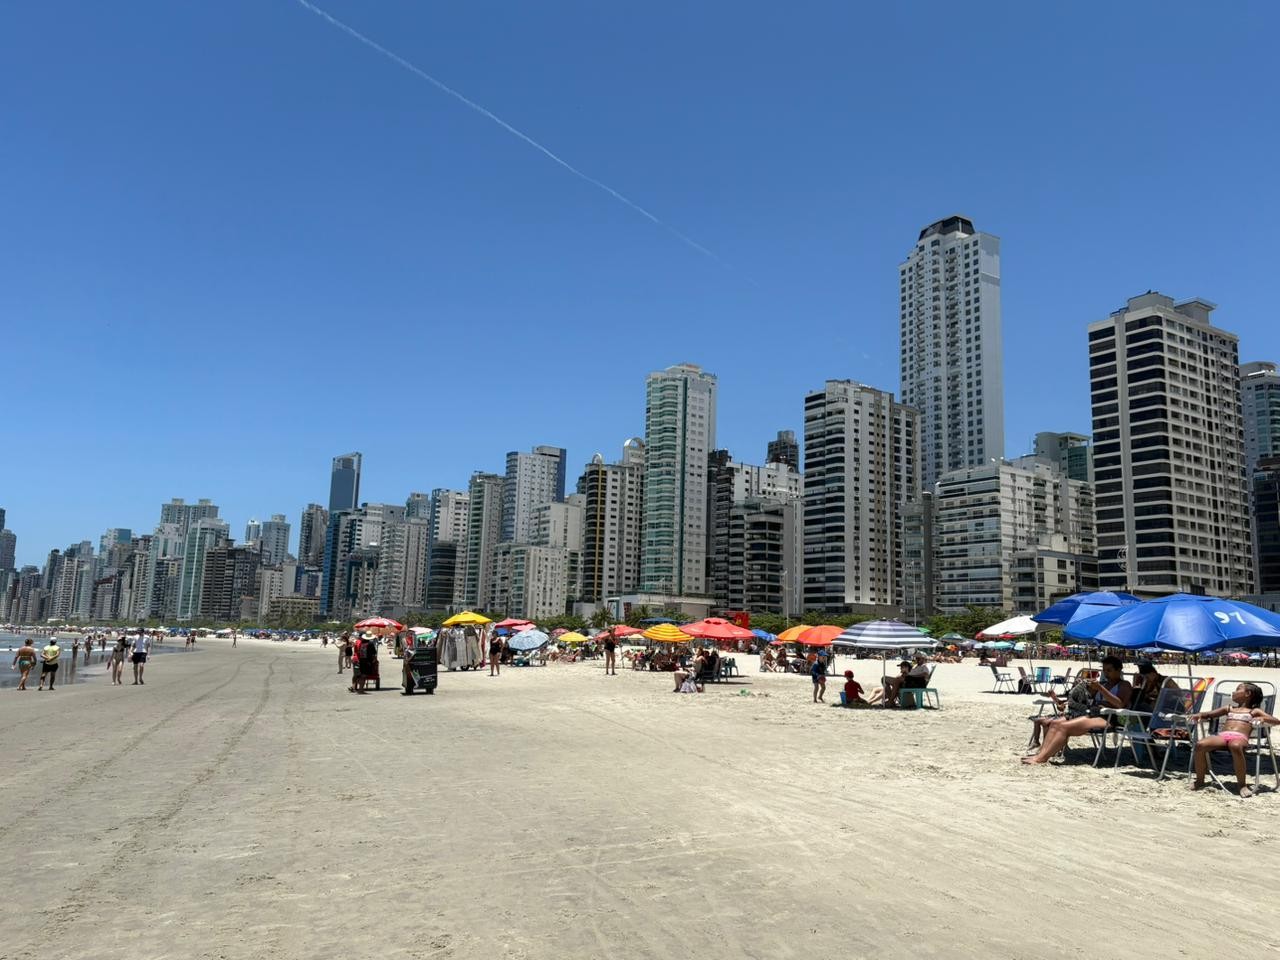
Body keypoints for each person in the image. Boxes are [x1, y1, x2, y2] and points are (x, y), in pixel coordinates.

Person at [1022, 656, 1133, 765]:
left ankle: (1042, 758)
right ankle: (1040, 754)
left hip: (1109, 718)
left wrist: (1100, 689)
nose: (1106, 674)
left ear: (1119, 670)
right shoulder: (1104, 684)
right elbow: (1090, 700)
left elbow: (1120, 704)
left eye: (1109, 670)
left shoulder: (1124, 685)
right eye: (1104, 671)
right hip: (1093, 714)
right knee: (1055, 724)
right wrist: (1087, 688)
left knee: (1064, 727)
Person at [1189, 683, 1279, 798]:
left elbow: (1275, 720)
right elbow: (1209, 714)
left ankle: (1242, 785)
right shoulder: (1229, 708)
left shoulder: (1254, 711)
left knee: (1235, 746)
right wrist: (1200, 714)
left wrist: (1262, 718)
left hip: (1240, 737)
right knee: (1200, 745)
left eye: (1238, 689)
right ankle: (1200, 780)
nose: (1234, 692)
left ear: (1248, 694)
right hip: (1222, 736)